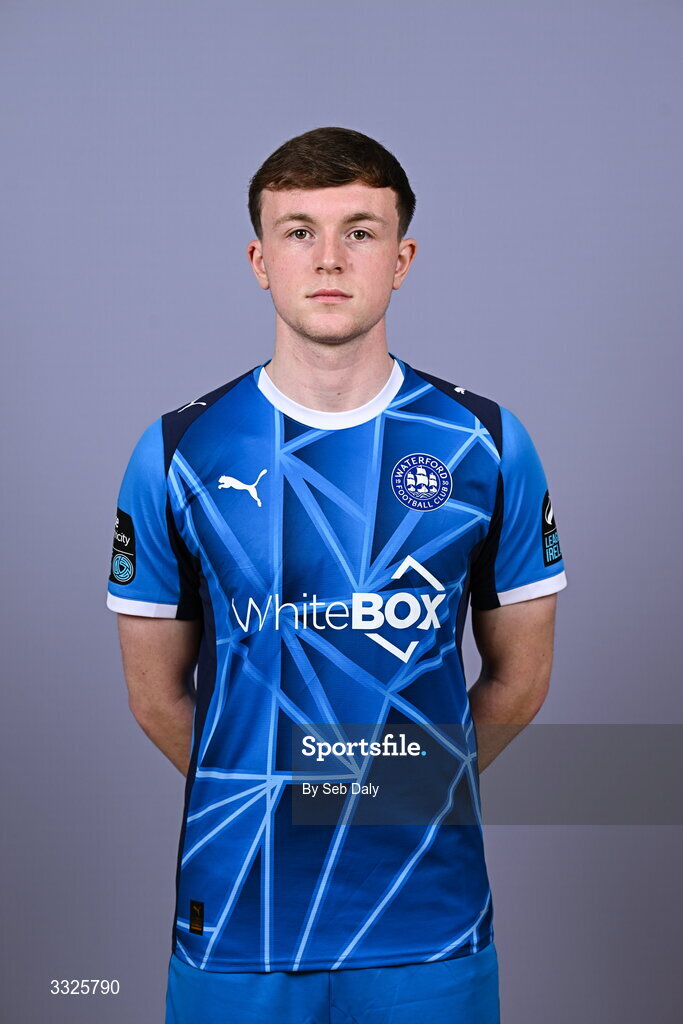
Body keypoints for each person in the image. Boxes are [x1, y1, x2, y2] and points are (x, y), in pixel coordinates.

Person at [106, 126, 567, 1024]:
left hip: (427, 921)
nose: (327, 258)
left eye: (359, 231)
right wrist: (280, 797)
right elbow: (154, 696)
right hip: (238, 920)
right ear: (257, 258)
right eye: (297, 231)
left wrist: (390, 792)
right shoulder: (176, 452)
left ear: (401, 258)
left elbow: (520, 679)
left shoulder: (488, 444)